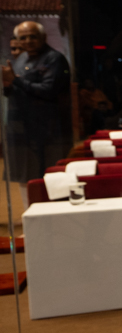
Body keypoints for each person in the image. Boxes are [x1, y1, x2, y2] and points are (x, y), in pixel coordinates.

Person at [3, 21, 72, 206]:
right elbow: (15, 89)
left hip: (46, 128)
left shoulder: (54, 58)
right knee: (25, 174)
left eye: (32, 36)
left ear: (43, 37)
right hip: (21, 127)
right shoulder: (21, 59)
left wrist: (15, 81)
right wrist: (7, 85)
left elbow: (49, 90)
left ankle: (53, 220)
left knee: (49, 176)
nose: (28, 41)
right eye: (23, 37)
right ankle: (30, 217)